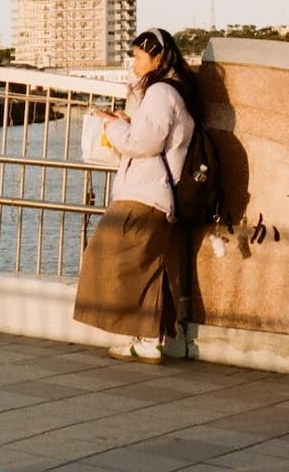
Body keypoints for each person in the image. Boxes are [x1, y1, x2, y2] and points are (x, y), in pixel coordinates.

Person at [73, 27, 198, 362]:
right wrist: (127, 121)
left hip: (146, 193)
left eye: (139, 57)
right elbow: (150, 134)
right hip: (155, 193)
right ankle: (147, 338)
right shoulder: (172, 91)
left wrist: (111, 126)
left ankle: (144, 336)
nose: (134, 64)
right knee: (147, 268)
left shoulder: (160, 92)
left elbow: (143, 143)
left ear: (157, 57)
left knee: (108, 256)